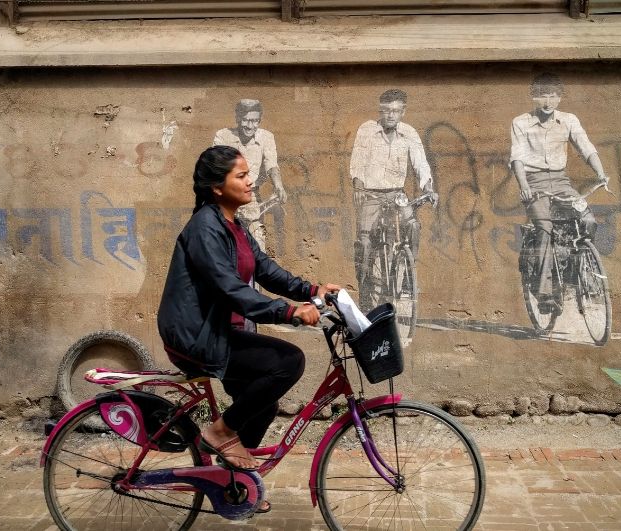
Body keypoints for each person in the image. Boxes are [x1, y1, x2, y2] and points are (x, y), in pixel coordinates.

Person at [157, 146, 340, 483]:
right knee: (289, 362)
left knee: (262, 406)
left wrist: (312, 292)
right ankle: (221, 431)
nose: (251, 181)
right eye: (241, 176)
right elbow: (231, 290)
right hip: (195, 336)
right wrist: (290, 312)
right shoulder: (204, 229)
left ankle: (233, 484)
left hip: (217, 332)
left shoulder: (234, 226)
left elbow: (266, 271)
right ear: (217, 187)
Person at [510, 72, 609, 314]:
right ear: (534, 97)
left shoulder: (569, 120)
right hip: (534, 182)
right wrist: (524, 187)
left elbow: (586, 147)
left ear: (560, 98)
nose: (548, 102)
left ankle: (579, 272)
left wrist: (601, 174)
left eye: (553, 96)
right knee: (544, 229)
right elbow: (517, 159)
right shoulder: (520, 122)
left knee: (587, 220)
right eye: (542, 96)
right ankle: (544, 293)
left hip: (561, 182)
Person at [350, 89, 434, 310]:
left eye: (396, 111)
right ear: (380, 110)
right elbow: (357, 160)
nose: (390, 115)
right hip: (371, 194)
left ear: (403, 112)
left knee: (413, 225)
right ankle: (365, 291)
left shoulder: (409, 133)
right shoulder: (367, 130)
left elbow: (420, 163)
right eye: (386, 111)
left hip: (397, 194)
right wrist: (358, 185)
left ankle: (407, 277)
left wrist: (428, 186)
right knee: (366, 242)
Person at [213, 99, 287, 252]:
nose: (250, 126)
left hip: (251, 198)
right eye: (245, 120)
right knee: (225, 250)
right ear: (238, 119)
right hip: (227, 197)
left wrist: (278, 185)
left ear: (259, 121)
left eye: (254, 121)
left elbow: (271, 165)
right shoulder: (223, 136)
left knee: (258, 247)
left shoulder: (266, 137)